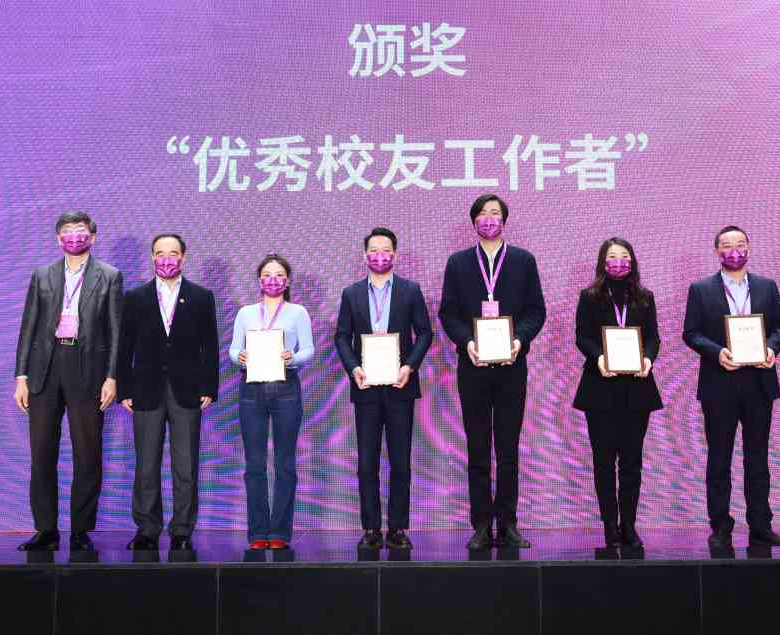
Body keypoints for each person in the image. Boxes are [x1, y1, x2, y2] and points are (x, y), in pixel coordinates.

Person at [438, 194, 546, 549]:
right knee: (478, 448)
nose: (489, 218)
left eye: (495, 213)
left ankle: (509, 523)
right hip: (473, 367)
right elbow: (448, 313)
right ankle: (482, 525)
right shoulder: (458, 263)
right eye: (483, 213)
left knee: (509, 449)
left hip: (512, 366)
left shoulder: (523, 261)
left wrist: (518, 340)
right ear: (473, 221)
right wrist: (467, 341)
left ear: (505, 220)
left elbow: (536, 311)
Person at [13, 211, 123, 552]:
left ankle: (80, 531)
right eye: (67, 231)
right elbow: (28, 327)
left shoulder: (109, 276)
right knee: (41, 452)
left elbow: (116, 331)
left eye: (80, 230)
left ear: (93, 236)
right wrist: (21, 376)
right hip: (45, 368)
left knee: (87, 453)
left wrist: (112, 376)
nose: (74, 236)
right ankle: (46, 530)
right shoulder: (42, 275)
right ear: (58, 238)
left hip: (87, 367)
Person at [682, 226, 780, 548]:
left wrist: (771, 348)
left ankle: (761, 525)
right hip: (719, 383)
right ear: (717, 251)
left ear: (749, 248)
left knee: (758, 458)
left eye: (740, 244)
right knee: (719, 459)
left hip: (759, 382)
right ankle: (720, 527)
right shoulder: (701, 289)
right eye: (727, 245)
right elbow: (691, 333)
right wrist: (718, 353)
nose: (734, 250)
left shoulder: (767, 286)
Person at [117, 234, 219, 552]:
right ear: (152, 257)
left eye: (173, 253)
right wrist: (124, 389)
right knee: (146, 464)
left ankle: (182, 530)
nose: (167, 259)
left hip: (187, 390)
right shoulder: (135, 297)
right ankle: (147, 529)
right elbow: (124, 347)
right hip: (145, 390)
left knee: (185, 466)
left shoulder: (201, 296)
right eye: (160, 253)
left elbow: (210, 346)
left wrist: (209, 387)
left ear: (183, 257)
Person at [334, 228, 433, 550]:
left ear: (395, 255)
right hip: (365, 386)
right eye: (374, 250)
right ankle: (371, 528)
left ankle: (398, 528)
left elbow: (425, 333)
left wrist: (409, 366)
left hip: (400, 385)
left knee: (401, 461)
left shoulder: (410, 290)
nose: (380, 255)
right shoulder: (351, 294)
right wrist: (354, 368)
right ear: (365, 256)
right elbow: (342, 336)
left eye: (386, 249)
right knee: (367, 462)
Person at [573, 238, 662, 548]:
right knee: (603, 461)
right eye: (612, 256)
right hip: (600, 388)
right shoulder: (590, 297)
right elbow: (582, 336)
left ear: (633, 261)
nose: (619, 261)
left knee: (632, 462)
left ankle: (630, 526)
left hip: (637, 388)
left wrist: (648, 360)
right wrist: (599, 358)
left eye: (625, 256)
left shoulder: (645, 297)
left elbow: (653, 338)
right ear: (602, 262)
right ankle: (610, 525)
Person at [229, 254, 314, 550]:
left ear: (287, 281)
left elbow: (309, 349)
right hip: (251, 388)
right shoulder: (246, 313)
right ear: (259, 280)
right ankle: (257, 533)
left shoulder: (298, 312)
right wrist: (239, 356)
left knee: (284, 463)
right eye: (267, 274)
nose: (273, 279)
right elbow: (233, 349)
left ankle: (279, 532)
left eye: (279, 275)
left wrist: (293, 357)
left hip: (285, 386)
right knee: (254, 464)